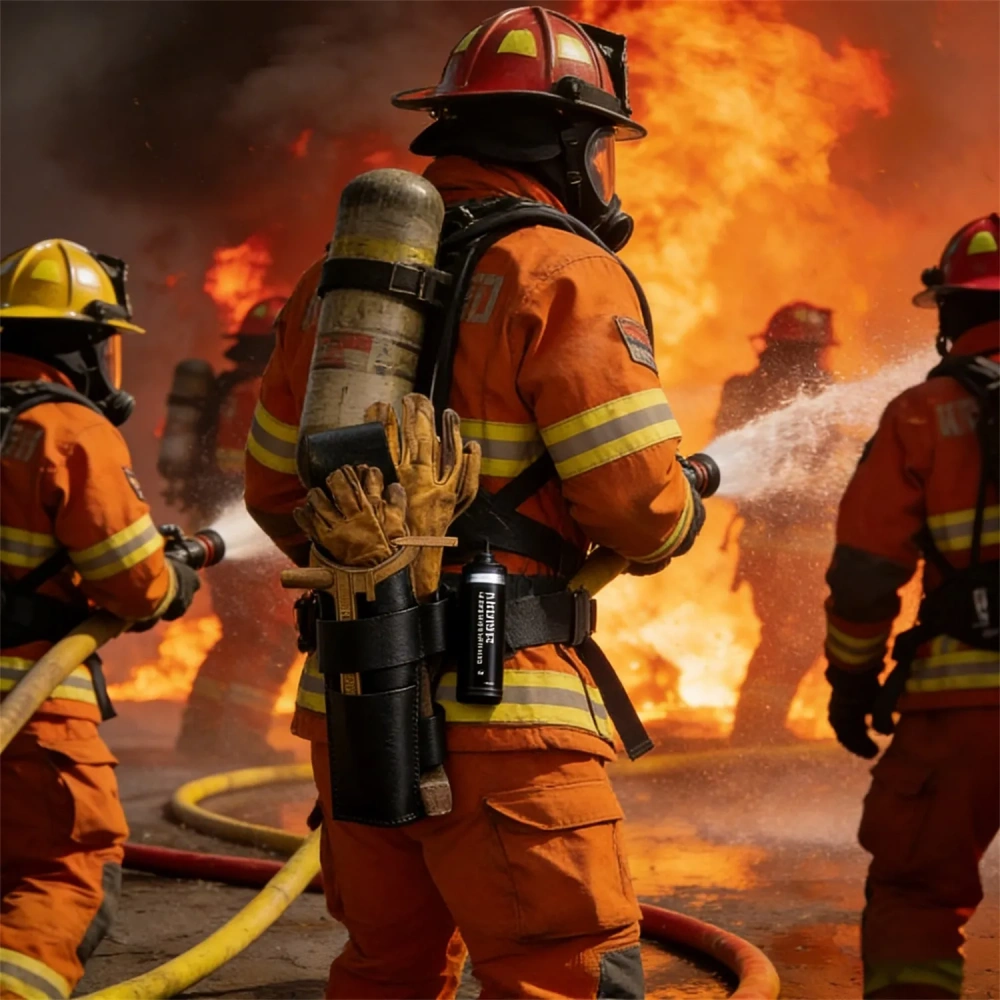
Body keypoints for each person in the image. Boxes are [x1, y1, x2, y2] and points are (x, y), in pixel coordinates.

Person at [245, 8, 705, 998]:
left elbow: (274, 491)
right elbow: (635, 507)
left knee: (385, 970)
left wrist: (382, 575)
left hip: (354, 698)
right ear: (569, 142)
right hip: (505, 707)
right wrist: (683, 511)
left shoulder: (334, 282)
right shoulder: (563, 271)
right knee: (563, 975)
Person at [0, 239, 199, 999]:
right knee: (62, 871)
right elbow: (136, 585)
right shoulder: (66, 430)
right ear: (87, 346)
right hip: (31, 713)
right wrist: (172, 576)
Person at [824, 214, 999, 999]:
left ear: (951, 312)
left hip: (962, 705)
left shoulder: (923, 414)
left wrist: (852, 684)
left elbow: (865, 578)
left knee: (916, 897)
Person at [165, 297, 297, 761]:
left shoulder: (230, 388)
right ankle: (241, 739)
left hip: (223, 535)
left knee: (240, 633)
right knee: (271, 634)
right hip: (258, 534)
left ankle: (200, 734)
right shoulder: (262, 391)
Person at [715, 302, 838, 743]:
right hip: (797, 546)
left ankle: (758, 727)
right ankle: (755, 731)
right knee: (797, 636)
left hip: (768, 544)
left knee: (789, 636)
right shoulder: (819, 397)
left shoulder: (744, 392)